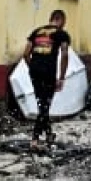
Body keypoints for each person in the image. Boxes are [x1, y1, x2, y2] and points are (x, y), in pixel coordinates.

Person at [22, 9, 70, 150]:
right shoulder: (62, 34)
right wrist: (61, 78)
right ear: (62, 21)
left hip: (35, 72)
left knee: (41, 103)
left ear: (51, 18)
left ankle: (49, 135)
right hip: (49, 73)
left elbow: (25, 54)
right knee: (45, 105)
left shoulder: (36, 32)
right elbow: (65, 54)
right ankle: (35, 139)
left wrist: (33, 67)